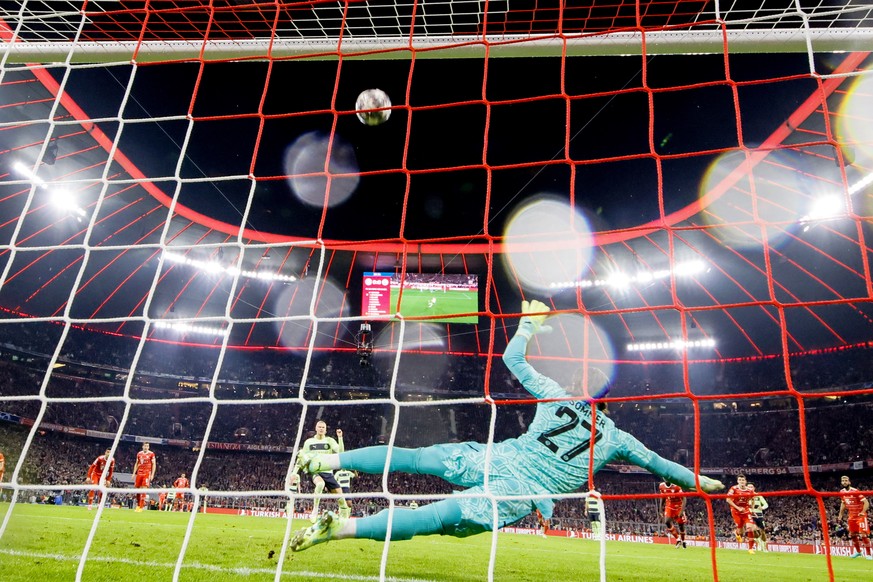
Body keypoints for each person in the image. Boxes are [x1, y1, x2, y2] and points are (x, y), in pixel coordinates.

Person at [288, 299, 724, 552]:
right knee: (436, 518)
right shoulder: (618, 437)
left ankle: (329, 455)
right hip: (519, 491)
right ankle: (341, 529)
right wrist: (701, 481)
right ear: (611, 406)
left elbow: (512, 359)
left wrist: (529, 325)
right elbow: (662, 466)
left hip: (499, 455)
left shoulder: (558, 395)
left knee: (415, 458)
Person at [300, 421, 350, 521]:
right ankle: (315, 511)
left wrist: (340, 438)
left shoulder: (330, 441)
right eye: (319, 427)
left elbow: (341, 452)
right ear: (316, 428)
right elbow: (303, 457)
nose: (321, 429)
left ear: (326, 430)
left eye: (323, 427)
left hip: (328, 472)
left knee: (341, 499)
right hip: (316, 471)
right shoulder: (309, 442)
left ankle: (343, 518)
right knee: (320, 484)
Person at [837, 475, 872, 559]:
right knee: (852, 535)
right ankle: (858, 552)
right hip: (851, 516)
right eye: (843, 481)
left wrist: (862, 512)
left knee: (863, 535)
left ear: (849, 482)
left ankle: (868, 554)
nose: (844, 482)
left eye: (846, 480)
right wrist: (840, 514)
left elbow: (866, 503)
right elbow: (843, 503)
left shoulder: (855, 491)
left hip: (860, 516)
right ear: (841, 482)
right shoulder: (841, 492)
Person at [726, 474, 758, 554]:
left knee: (750, 528)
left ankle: (751, 549)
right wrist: (738, 508)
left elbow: (753, 498)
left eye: (743, 480)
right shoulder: (734, 489)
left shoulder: (749, 490)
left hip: (746, 511)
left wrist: (752, 509)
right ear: (737, 481)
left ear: (745, 481)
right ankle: (737, 533)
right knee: (740, 531)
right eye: (740, 480)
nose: (741, 482)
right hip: (736, 511)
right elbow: (728, 500)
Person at [659, 481, 687, 548]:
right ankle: (678, 539)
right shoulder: (661, 486)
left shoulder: (676, 486)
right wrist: (660, 509)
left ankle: (683, 541)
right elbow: (662, 497)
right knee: (667, 521)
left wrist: (682, 511)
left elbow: (684, 499)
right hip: (669, 505)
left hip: (678, 506)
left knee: (681, 526)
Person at [132, 442, 156, 513]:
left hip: (147, 473)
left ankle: (141, 507)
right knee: (137, 490)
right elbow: (136, 463)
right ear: (142, 447)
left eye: (147, 446)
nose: (146, 447)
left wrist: (152, 474)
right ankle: (138, 505)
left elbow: (154, 464)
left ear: (149, 447)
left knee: (144, 489)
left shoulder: (151, 454)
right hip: (139, 473)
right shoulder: (139, 454)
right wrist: (134, 473)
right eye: (145, 446)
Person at [747, 482, 768, 552]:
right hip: (751, 515)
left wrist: (762, 507)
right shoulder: (745, 496)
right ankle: (758, 544)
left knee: (762, 531)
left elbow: (766, 504)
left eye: (751, 487)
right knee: (754, 530)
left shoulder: (758, 496)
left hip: (759, 515)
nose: (750, 488)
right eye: (748, 487)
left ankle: (764, 547)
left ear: (754, 488)